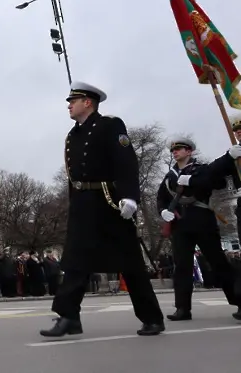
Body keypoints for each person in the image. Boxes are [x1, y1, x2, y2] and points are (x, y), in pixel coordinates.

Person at [40, 82, 164, 337]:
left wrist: (130, 197)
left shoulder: (110, 125)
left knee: (130, 263)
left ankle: (152, 317)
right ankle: (68, 317)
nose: (69, 105)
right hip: (83, 203)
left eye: (73, 100)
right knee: (75, 262)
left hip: (109, 201)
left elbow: (127, 161)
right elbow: (73, 175)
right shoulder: (72, 135)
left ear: (88, 102)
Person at [162, 137, 241, 320]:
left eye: (180, 149)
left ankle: (239, 300)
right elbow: (162, 198)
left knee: (218, 262)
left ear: (189, 152)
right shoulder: (169, 176)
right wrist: (163, 211)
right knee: (181, 266)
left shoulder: (201, 169)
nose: (175, 152)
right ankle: (182, 308)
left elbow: (213, 179)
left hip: (202, 220)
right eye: (174, 150)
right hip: (180, 224)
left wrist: (193, 179)